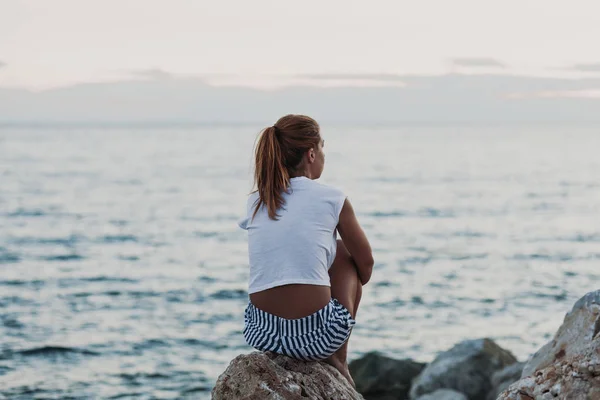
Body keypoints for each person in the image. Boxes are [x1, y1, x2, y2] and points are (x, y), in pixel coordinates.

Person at [238, 114, 374, 386]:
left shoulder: (257, 200)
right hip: (316, 341)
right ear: (311, 154)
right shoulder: (332, 198)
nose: (324, 154)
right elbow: (366, 265)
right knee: (343, 251)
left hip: (261, 334)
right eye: (322, 147)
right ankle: (339, 359)